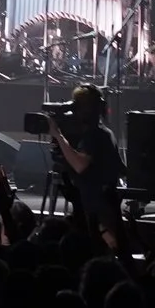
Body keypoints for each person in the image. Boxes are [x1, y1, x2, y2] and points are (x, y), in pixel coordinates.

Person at [43, 83, 125, 250]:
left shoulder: (95, 135)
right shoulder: (102, 133)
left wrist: (58, 135)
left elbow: (80, 165)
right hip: (98, 205)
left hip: (98, 210)